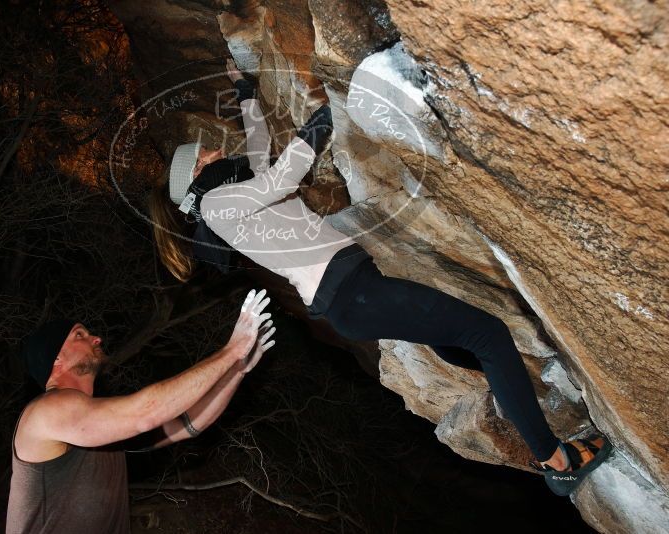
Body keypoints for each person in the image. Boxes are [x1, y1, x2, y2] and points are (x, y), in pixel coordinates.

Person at [149, 58, 612, 497]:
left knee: (452, 336)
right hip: (353, 296)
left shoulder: (232, 198)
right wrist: (319, 124)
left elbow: (260, 150)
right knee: (488, 335)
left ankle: (510, 390)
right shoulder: (215, 207)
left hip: (354, 296)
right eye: (207, 151)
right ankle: (557, 464)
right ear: (199, 172)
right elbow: (280, 181)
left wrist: (245, 90)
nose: (215, 148)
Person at [6, 288, 275, 533]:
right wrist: (232, 349)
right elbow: (145, 413)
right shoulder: (46, 411)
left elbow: (189, 423)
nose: (97, 338)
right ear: (56, 358)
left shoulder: (101, 424)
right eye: (80, 334)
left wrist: (237, 370)